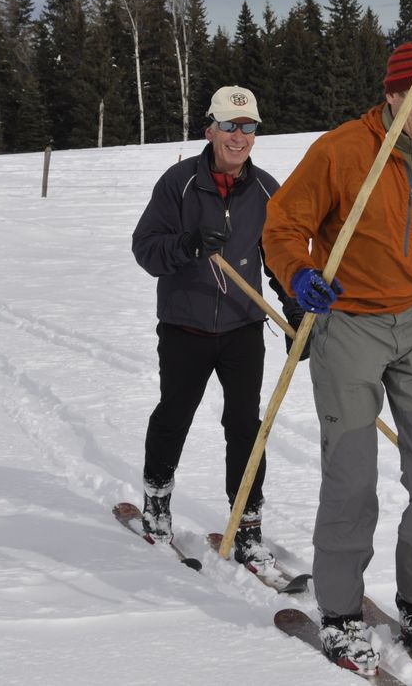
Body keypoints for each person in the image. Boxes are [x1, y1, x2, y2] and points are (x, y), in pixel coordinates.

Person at [262, 41, 412, 675]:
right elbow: (282, 224)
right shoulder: (343, 149)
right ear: (391, 95)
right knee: (351, 476)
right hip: (349, 325)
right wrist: (300, 275)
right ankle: (340, 614)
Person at [131, 85, 305, 571]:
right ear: (210, 129)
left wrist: (294, 310)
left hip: (243, 326)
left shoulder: (268, 188)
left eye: (248, 127)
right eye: (230, 125)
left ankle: (248, 525)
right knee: (174, 414)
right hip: (185, 324)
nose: (239, 136)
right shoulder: (179, 183)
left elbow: (281, 258)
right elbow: (146, 249)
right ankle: (157, 505)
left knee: (245, 425)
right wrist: (186, 244)